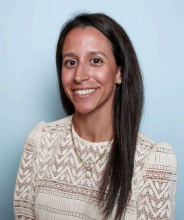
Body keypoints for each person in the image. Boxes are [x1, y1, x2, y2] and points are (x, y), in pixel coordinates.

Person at [14, 13, 177, 220]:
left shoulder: (153, 161)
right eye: (70, 62)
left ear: (120, 72)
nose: (80, 76)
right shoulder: (39, 143)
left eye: (95, 60)